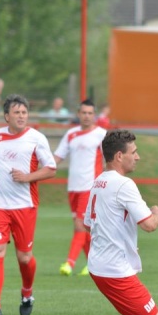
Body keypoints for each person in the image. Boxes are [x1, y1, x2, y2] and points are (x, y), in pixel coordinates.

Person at [80, 129, 158, 315]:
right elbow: (149, 225)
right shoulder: (124, 184)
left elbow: (87, 224)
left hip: (102, 265)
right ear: (119, 156)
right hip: (114, 269)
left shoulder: (99, 182)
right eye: (133, 152)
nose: (137, 157)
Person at [0, 94, 56, 315]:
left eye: (24, 112)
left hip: (25, 206)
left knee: (25, 258)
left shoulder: (36, 138)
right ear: (6, 116)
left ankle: (27, 293)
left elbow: (51, 169)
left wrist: (27, 177)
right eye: (16, 112)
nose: (21, 116)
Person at [54, 99, 107, 276]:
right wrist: (39, 171)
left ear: (94, 115)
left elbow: (109, 159)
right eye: (83, 113)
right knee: (83, 228)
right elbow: (57, 157)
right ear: (78, 114)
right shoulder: (71, 134)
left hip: (90, 188)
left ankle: (69, 263)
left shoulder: (101, 134)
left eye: (90, 113)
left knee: (80, 226)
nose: (86, 116)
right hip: (73, 188)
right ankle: (95, 264)